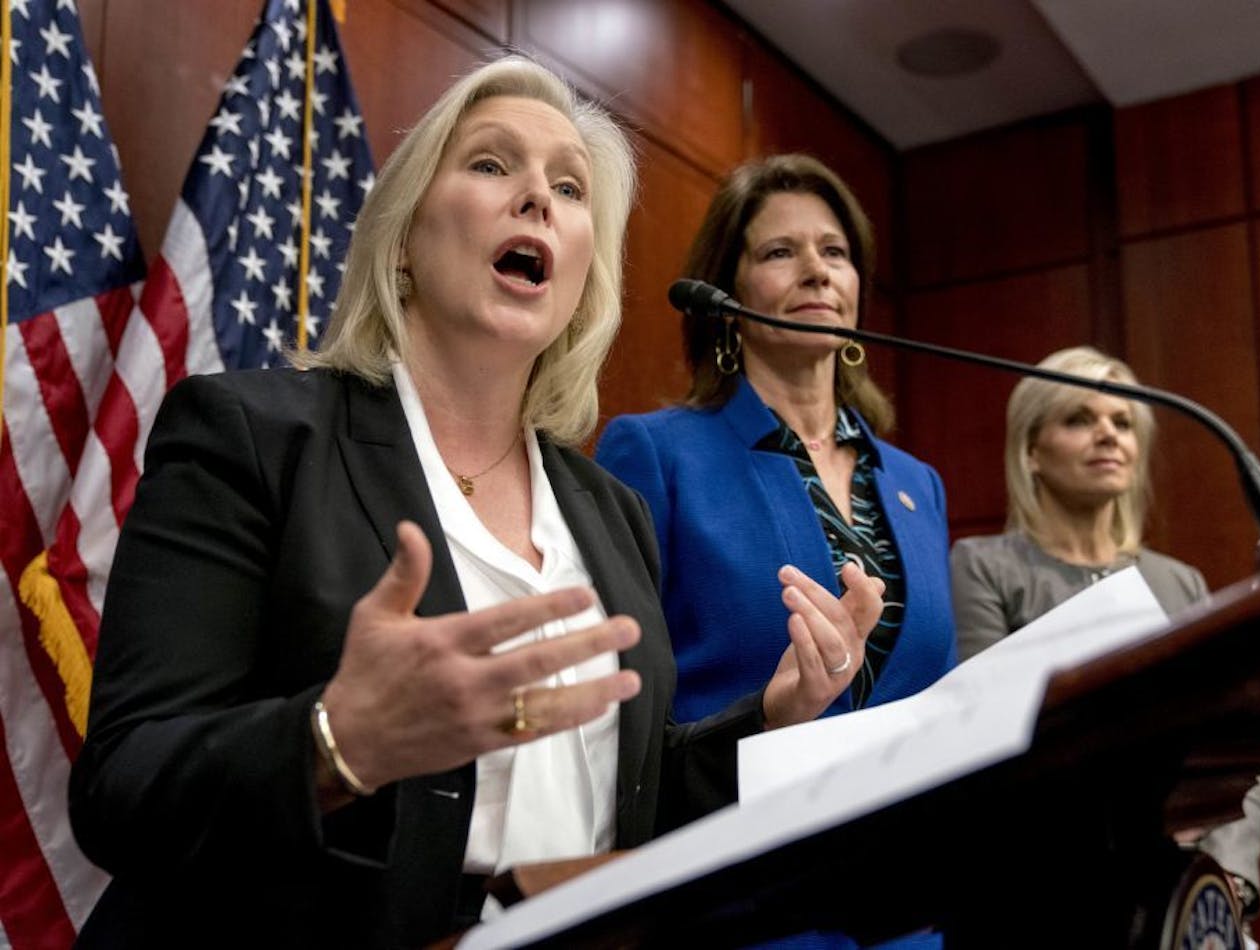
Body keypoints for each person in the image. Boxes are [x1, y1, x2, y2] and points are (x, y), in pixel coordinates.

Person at [67, 56, 885, 949]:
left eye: (569, 187)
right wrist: (339, 744)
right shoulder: (251, 437)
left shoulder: (609, 511)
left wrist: (770, 717)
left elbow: (619, 802)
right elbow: (123, 789)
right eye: (492, 165)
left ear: (581, 282)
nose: (538, 196)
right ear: (405, 239)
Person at [596, 154, 954, 948]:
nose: (816, 271)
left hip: (906, 920)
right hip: (736, 910)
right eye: (779, 252)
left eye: (835, 251)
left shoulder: (917, 484)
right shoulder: (656, 455)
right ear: (724, 296)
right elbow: (617, 711)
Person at [949, 345, 1260, 931]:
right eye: (1079, 419)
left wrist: (1230, 885)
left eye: (1122, 423)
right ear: (1032, 452)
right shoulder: (982, 566)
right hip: (1041, 894)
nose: (1107, 435)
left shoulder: (1180, 581)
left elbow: (1235, 740)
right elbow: (986, 738)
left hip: (1182, 900)